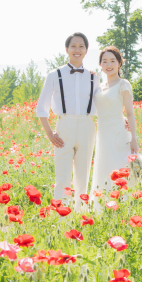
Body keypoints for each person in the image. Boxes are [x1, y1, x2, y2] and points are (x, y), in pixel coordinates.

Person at [36, 32, 99, 211]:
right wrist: (50, 133)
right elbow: (42, 107)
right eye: (73, 46)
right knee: (62, 176)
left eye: (81, 46)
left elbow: (101, 104)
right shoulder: (54, 75)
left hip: (87, 125)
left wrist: (122, 117)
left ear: (86, 50)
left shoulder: (94, 77)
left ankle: (80, 214)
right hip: (65, 125)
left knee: (83, 175)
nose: (77, 50)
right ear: (66, 49)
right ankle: (61, 215)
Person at [90, 46, 138, 208]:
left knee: (119, 168)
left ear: (119, 63)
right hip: (103, 134)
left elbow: (130, 113)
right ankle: (102, 207)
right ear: (100, 65)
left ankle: (122, 207)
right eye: (104, 61)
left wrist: (134, 139)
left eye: (112, 61)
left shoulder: (123, 84)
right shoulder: (99, 86)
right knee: (104, 167)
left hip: (119, 133)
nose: (108, 65)